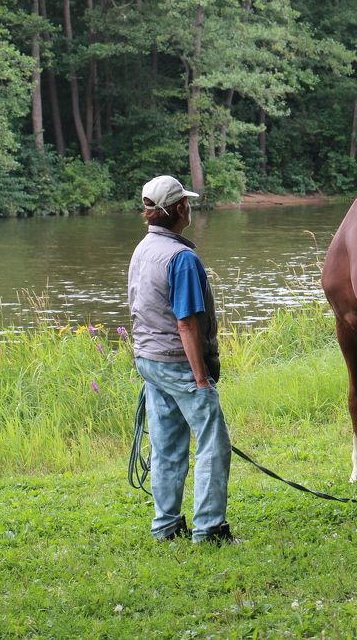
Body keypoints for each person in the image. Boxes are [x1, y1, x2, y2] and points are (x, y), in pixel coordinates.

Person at [127, 175, 234, 544]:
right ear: (178, 209)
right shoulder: (182, 258)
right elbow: (186, 323)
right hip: (177, 363)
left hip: (148, 361)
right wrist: (201, 379)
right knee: (212, 444)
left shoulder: (143, 248)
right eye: (185, 202)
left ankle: (166, 526)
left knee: (167, 446)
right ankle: (209, 529)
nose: (189, 206)